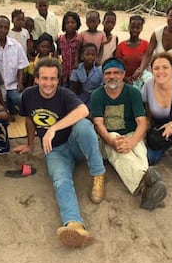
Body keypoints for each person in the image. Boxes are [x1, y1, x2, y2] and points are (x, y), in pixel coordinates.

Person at [13, 58, 106, 248]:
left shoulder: (65, 94)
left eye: (53, 79)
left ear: (58, 80)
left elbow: (83, 110)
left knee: (84, 125)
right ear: (36, 79)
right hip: (53, 150)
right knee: (60, 180)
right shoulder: (28, 96)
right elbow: (30, 121)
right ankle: (74, 224)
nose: (49, 83)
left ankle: (98, 174)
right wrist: (30, 145)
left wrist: (53, 128)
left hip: (74, 143)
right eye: (44, 78)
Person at [90, 57, 167, 210]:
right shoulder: (97, 95)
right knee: (116, 142)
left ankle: (146, 189)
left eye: (116, 73)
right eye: (108, 73)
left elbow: (142, 122)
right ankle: (146, 179)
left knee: (139, 151)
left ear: (123, 74)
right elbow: (98, 123)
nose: (112, 76)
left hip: (131, 134)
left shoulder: (133, 93)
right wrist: (111, 141)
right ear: (103, 76)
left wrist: (132, 141)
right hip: (107, 139)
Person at [139, 3, 172, 76]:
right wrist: (141, 69)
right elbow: (148, 54)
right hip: (157, 71)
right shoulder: (157, 33)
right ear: (167, 15)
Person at [0, 15, 29, 115]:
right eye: (0, 27)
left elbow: (21, 67)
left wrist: (20, 83)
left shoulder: (16, 45)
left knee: (20, 100)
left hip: (13, 86)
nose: (3, 30)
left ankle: (11, 106)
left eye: (6, 28)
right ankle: (8, 107)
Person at [115, 15, 151, 90]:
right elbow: (118, 65)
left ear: (141, 28)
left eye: (137, 28)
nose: (135, 30)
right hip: (124, 82)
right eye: (132, 27)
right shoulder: (121, 46)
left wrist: (139, 73)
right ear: (128, 27)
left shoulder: (145, 44)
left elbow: (147, 64)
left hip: (141, 82)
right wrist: (125, 79)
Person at [70, 43, 103, 108]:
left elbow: (103, 88)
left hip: (97, 95)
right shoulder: (77, 68)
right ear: (82, 56)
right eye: (87, 54)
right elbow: (74, 88)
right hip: (83, 95)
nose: (90, 57)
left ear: (96, 56)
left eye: (93, 54)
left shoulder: (100, 70)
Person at [56, 11, 82, 87]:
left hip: (76, 73)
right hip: (63, 74)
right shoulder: (60, 39)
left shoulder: (79, 39)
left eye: (73, 22)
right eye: (67, 23)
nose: (70, 25)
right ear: (64, 25)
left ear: (77, 24)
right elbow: (58, 53)